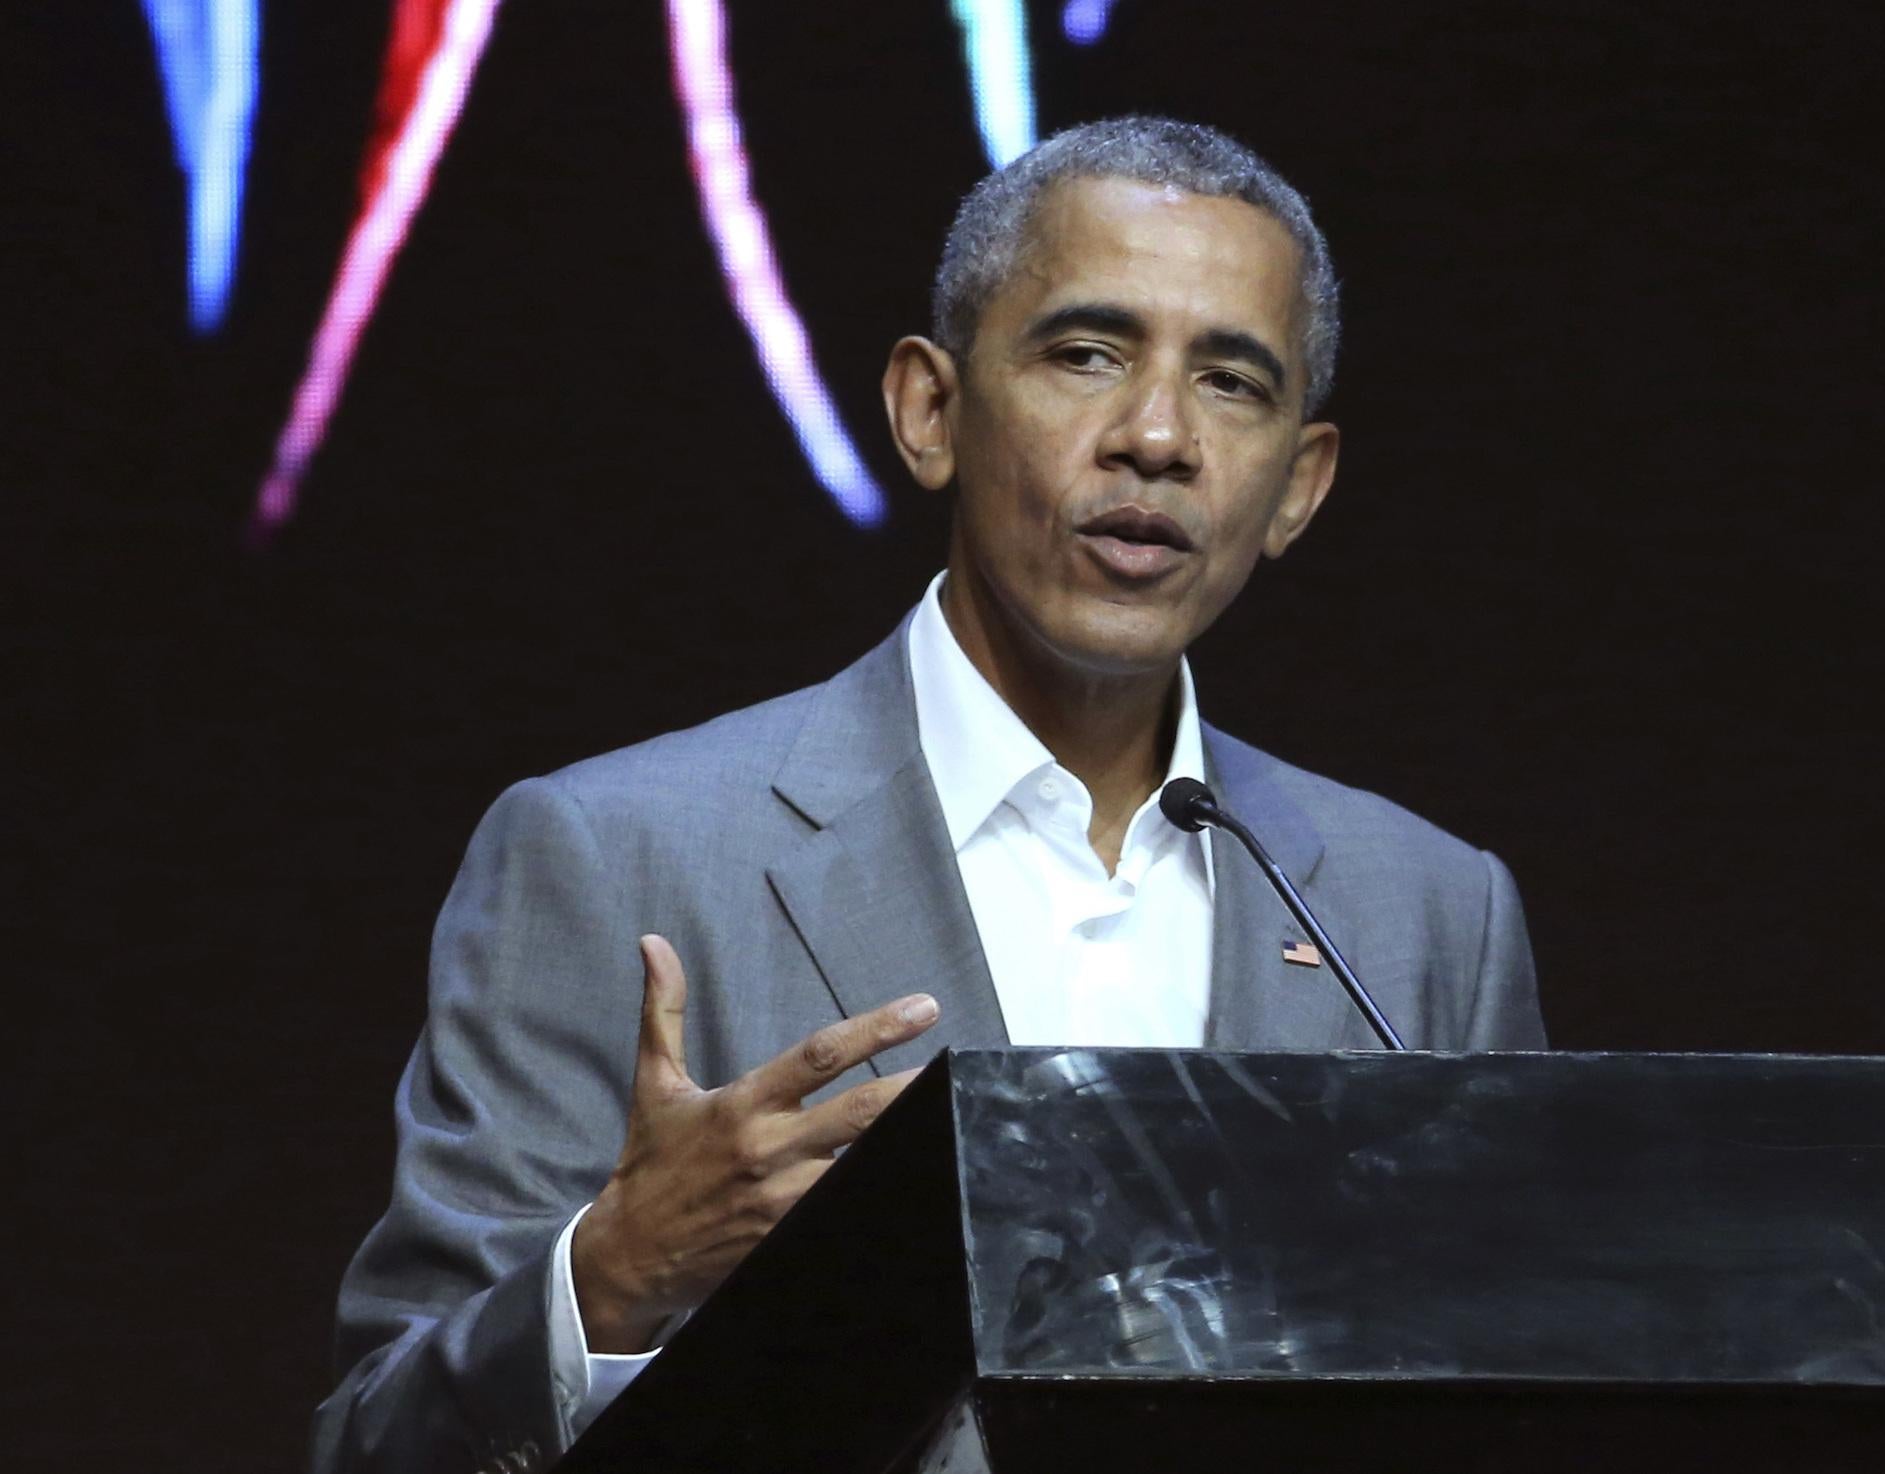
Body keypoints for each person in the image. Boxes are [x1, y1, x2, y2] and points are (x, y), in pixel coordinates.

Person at [312, 116, 1546, 1474]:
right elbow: (375, 1444)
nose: (1157, 437)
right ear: (930, 409)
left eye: (1233, 383)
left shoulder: (1428, 914)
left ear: (1298, 486)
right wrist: (608, 1277)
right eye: (1088, 353)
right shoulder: (616, 855)